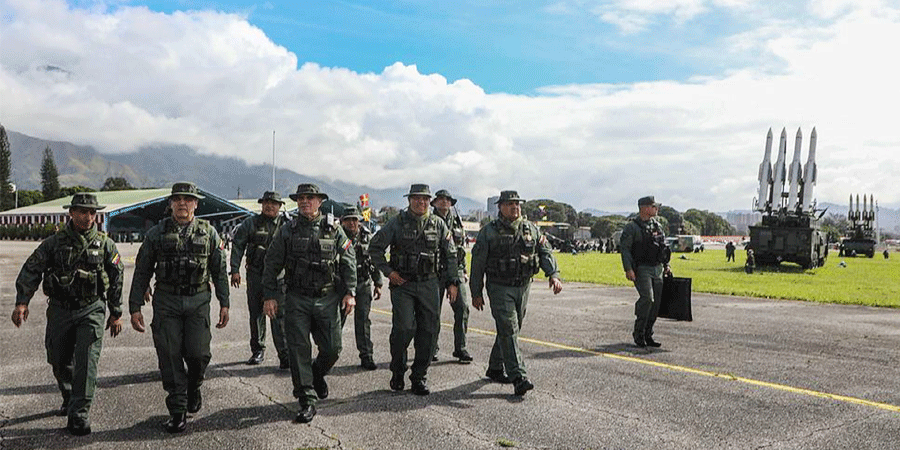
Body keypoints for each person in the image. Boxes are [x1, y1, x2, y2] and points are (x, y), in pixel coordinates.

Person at [12, 193, 124, 436]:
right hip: (61, 309)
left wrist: (116, 313)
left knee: (86, 362)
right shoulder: (54, 243)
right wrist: (22, 301)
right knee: (59, 359)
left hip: (91, 309)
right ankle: (69, 395)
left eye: (92, 212)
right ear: (71, 213)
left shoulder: (105, 244)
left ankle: (79, 414)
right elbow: (32, 268)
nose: (88, 217)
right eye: (82, 211)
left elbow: (116, 277)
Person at [128, 182, 230, 433]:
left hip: (198, 300)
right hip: (167, 301)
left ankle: (194, 385)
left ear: (196, 203)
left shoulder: (209, 233)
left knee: (199, 355)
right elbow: (142, 269)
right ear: (171, 203)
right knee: (169, 356)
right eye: (177, 199)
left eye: (188, 199)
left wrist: (224, 303)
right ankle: (177, 409)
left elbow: (219, 270)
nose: (182, 203)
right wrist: (135, 306)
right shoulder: (156, 233)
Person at [261, 183, 356, 424]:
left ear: (319, 201)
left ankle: (316, 374)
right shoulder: (287, 230)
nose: (305, 202)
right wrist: (269, 295)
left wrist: (350, 291)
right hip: (297, 298)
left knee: (333, 348)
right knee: (298, 349)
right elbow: (272, 263)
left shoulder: (334, 229)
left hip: (327, 297)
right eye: (301, 198)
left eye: (310, 198)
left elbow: (348, 260)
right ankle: (306, 399)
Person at [369, 184, 459, 396]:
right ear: (409, 200)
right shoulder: (397, 223)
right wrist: (389, 272)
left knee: (429, 331)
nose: (422, 202)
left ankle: (419, 376)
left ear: (430, 201)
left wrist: (453, 282)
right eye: (417, 199)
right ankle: (398, 370)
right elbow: (375, 248)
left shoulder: (438, 225)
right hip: (404, 284)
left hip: (429, 284)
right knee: (403, 328)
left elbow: (451, 254)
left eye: (426, 199)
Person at [470, 190, 563, 396]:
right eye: (510, 204)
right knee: (509, 327)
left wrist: (553, 274)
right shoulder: (489, 232)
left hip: (523, 286)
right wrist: (476, 292)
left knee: (511, 328)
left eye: (518, 204)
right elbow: (477, 264)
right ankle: (518, 376)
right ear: (500, 207)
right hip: (499, 286)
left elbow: (544, 252)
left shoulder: (530, 229)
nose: (515, 207)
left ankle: (495, 367)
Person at [229, 191, 289, 368]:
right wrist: (234, 270)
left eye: (273, 203)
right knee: (256, 314)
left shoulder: (287, 225)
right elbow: (238, 245)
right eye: (266, 203)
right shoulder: (250, 223)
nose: (269, 206)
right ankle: (258, 350)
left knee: (280, 317)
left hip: (279, 278)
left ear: (280, 206)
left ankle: (285, 355)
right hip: (256, 275)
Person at [620, 196, 671, 348]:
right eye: (654, 206)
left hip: (657, 268)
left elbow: (662, 246)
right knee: (648, 299)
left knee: (656, 304)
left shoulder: (657, 225)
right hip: (642, 269)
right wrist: (629, 269)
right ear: (644, 208)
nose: (656, 209)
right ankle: (639, 333)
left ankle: (648, 334)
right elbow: (625, 249)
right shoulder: (632, 227)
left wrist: (666, 264)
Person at [339, 205, 383, 370]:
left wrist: (378, 283)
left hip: (363, 283)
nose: (352, 223)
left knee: (363, 321)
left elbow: (374, 260)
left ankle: (366, 356)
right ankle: (329, 354)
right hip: (341, 286)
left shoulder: (366, 237)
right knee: (337, 321)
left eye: (354, 219)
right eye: (348, 220)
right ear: (342, 221)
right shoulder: (337, 236)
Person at [430, 189, 472, 363]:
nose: (444, 202)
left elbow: (460, 248)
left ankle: (460, 348)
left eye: (447, 200)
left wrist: (464, 269)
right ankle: (431, 348)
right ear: (435, 203)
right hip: (434, 272)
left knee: (463, 308)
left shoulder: (457, 222)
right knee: (432, 313)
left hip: (456, 271)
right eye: (440, 200)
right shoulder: (429, 221)